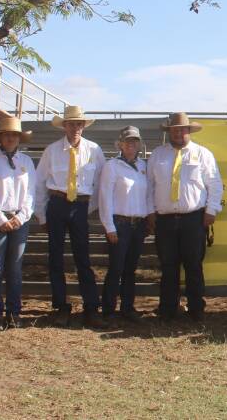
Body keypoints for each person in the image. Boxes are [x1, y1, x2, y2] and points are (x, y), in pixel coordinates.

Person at [34, 105, 106, 328]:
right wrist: (42, 215)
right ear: (64, 126)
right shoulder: (52, 150)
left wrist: (88, 207)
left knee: (83, 258)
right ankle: (61, 307)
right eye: (71, 123)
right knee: (55, 257)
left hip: (81, 206)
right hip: (57, 204)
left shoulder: (94, 150)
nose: (75, 128)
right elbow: (39, 184)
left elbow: (101, 184)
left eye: (79, 124)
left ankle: (91, 307)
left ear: (83, 127)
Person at [148, 112, 223, 322]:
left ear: (189, 131)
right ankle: (168, 309)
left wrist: (211, 210)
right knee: (168, 265)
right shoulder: (157, 155)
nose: (179, 133)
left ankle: (196, 308)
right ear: (169, 131)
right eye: (175, 129)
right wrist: (150, 212)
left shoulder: (203, 154)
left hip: (194, 219)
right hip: (165, 220)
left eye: (182, 129)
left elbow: (215, 184)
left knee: (193, 265)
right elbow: (149, 186)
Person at [0, 117, 36, 331]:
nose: (11, 138)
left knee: (15, 268)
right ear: (1, 137)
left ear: (19, 138)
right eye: (7, 134)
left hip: (19, 218)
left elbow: (31, 193)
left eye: (14, 135)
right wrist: (0, 219)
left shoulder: (27, 162)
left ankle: (14, 311)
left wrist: (20, 217)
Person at [98, 126, 152, 323]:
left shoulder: (143, 166)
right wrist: (109, 226)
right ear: (120, 144)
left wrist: (148, 218)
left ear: (139, 144)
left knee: (131, 268)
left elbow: (148, 195)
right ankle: (109, 309)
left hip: (137, 225)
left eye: (135, 141)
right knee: (116, 268)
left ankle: (127, 307)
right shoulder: (112, 166)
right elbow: (105, 198)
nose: (131, 144)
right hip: (119, 223)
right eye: (127, 141)